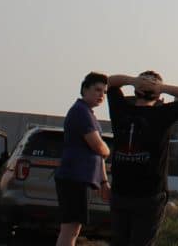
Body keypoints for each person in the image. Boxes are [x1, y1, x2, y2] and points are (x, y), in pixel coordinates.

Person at [106, 71, 178, 246]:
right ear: (158, 96)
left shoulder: (120, 109)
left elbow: (111, 83)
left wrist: (132, 81)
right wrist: (162, 88)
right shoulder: (163, 115)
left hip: (121, 192)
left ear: (136, 91)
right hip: (150, 195)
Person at [55, 72, 110, 246]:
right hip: (74, 177)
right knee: (70, 228)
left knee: (73, 228)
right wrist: (107, 149)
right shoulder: (80, 112)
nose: (101, 95)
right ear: (85, 90)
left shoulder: (89, 114)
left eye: (104, 92)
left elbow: (98, 155)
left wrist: (103, 182)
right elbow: (98, 147)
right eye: (97, 90)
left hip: (80, 179)